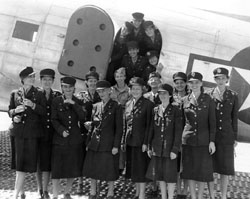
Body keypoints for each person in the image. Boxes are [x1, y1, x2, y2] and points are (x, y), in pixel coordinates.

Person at [8, 66, 46, 199]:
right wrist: (15, 115)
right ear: (23, 79)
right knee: (20, 164)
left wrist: (33, 105)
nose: (32, 79)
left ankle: (16, 193)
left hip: (32, 134)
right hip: (18, 133)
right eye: (30, 77)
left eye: (33, 77)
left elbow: (44, 112)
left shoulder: (39, 94)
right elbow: (10, 110)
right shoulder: (15, 93)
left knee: (25, 164)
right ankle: (18, 193)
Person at [82, 80, 123, 199]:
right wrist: (88, 142)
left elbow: (119, 128)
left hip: (109, 143)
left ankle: (110, 192)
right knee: (93, 168)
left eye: (104, 91)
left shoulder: (117, 106)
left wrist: (116, 146)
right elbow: (92, 127)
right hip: (95, 143)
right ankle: (93, 191)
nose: (101, 93)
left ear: (110, 91)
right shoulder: (96, 106)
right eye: (99, 91)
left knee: (109, 169)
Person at [181, 72, 216, 199]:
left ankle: (200, 196)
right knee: (189, 171)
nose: (194, 85)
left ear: (201, 83)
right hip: (188, 140)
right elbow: (182, 122)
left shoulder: (208, 99)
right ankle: (193, 196)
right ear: (188, 84)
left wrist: (212, 141)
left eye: (196, 82)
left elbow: (213, 122)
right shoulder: (185, 100)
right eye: (191, 82)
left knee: (203, 171)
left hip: (203, 141)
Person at [51, 76, 86, 199]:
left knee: (73, 168)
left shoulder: (78, 101)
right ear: (62, 88)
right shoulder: (56, 101)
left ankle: (67, 192)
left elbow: (83, 118)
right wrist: (61, 131)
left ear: (74, 88)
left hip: (74, 140)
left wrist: (74, 104)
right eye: (65, 87)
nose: (68, 89)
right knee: (57, 169)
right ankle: (55, 194)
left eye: (70, 87)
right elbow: (53, 119)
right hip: (60, 140)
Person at [146, 83, 183, 199]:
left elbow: (178, 132)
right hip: (157, 148)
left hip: (169, 149)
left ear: (170, 95)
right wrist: (149, 147)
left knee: (170, 176)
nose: (162, 96)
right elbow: (152, 129)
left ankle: (170, 197)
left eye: (165, 93)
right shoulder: (156, 109)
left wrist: (175, 150)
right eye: (160, 93)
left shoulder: (176, 110)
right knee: (160, 175)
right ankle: (163, 196)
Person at [207, 67, 238, 199]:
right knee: (210, 168)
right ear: (214, 79)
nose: (220, 81)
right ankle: (212, 195)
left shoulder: (233, 95)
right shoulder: (208, 94)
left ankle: (224, 195)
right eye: (218, 78)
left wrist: (234, 137)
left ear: (227, 79)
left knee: (225, 168)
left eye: (223, 78)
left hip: (226, 136)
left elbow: (234, 118)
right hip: (212, 136)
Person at [124, 77, 154, 199]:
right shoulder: (128, 104)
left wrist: (146, 143)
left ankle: (142, 194)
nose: (135, 91)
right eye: (133, 89)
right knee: (134, 169)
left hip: (141, 142)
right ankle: (137, 192)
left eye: (138, 89)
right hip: (130, 141)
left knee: (141, 169)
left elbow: (149, 126)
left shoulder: (148, 104)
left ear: (143, 90)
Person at [36, 69, 61, 199]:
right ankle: (40, 189)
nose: (47, 82)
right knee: (39, 163)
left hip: (51, 133)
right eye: (44, 79)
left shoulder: (57, 95)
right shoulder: (35, 94)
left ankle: (45, 190)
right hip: (37, 133)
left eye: (49, 80)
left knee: (47, 163)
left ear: (53, 81)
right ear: (41, 81)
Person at [76, 70, 101, 195]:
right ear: (86, 82)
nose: (92, 83)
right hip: (82, 131)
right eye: (90, 81)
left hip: (96, 131)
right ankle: (80, 183)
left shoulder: (100, 95)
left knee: (94, 160)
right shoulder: (80, 96)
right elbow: (76, 112)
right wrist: (84, 123)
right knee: (81, 157)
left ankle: (94, 186)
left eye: (95, 81)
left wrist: (93, 124)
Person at [172, 72, 189, 199]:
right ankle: (178, 191)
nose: (179, 85)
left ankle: (185, 190)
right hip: (174, 135)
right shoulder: (171, 97)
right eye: (177, 83)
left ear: (186, 83)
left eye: (182, 82)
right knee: (176, 165)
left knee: (186, 164)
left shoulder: (190, 97)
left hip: (187, 135)